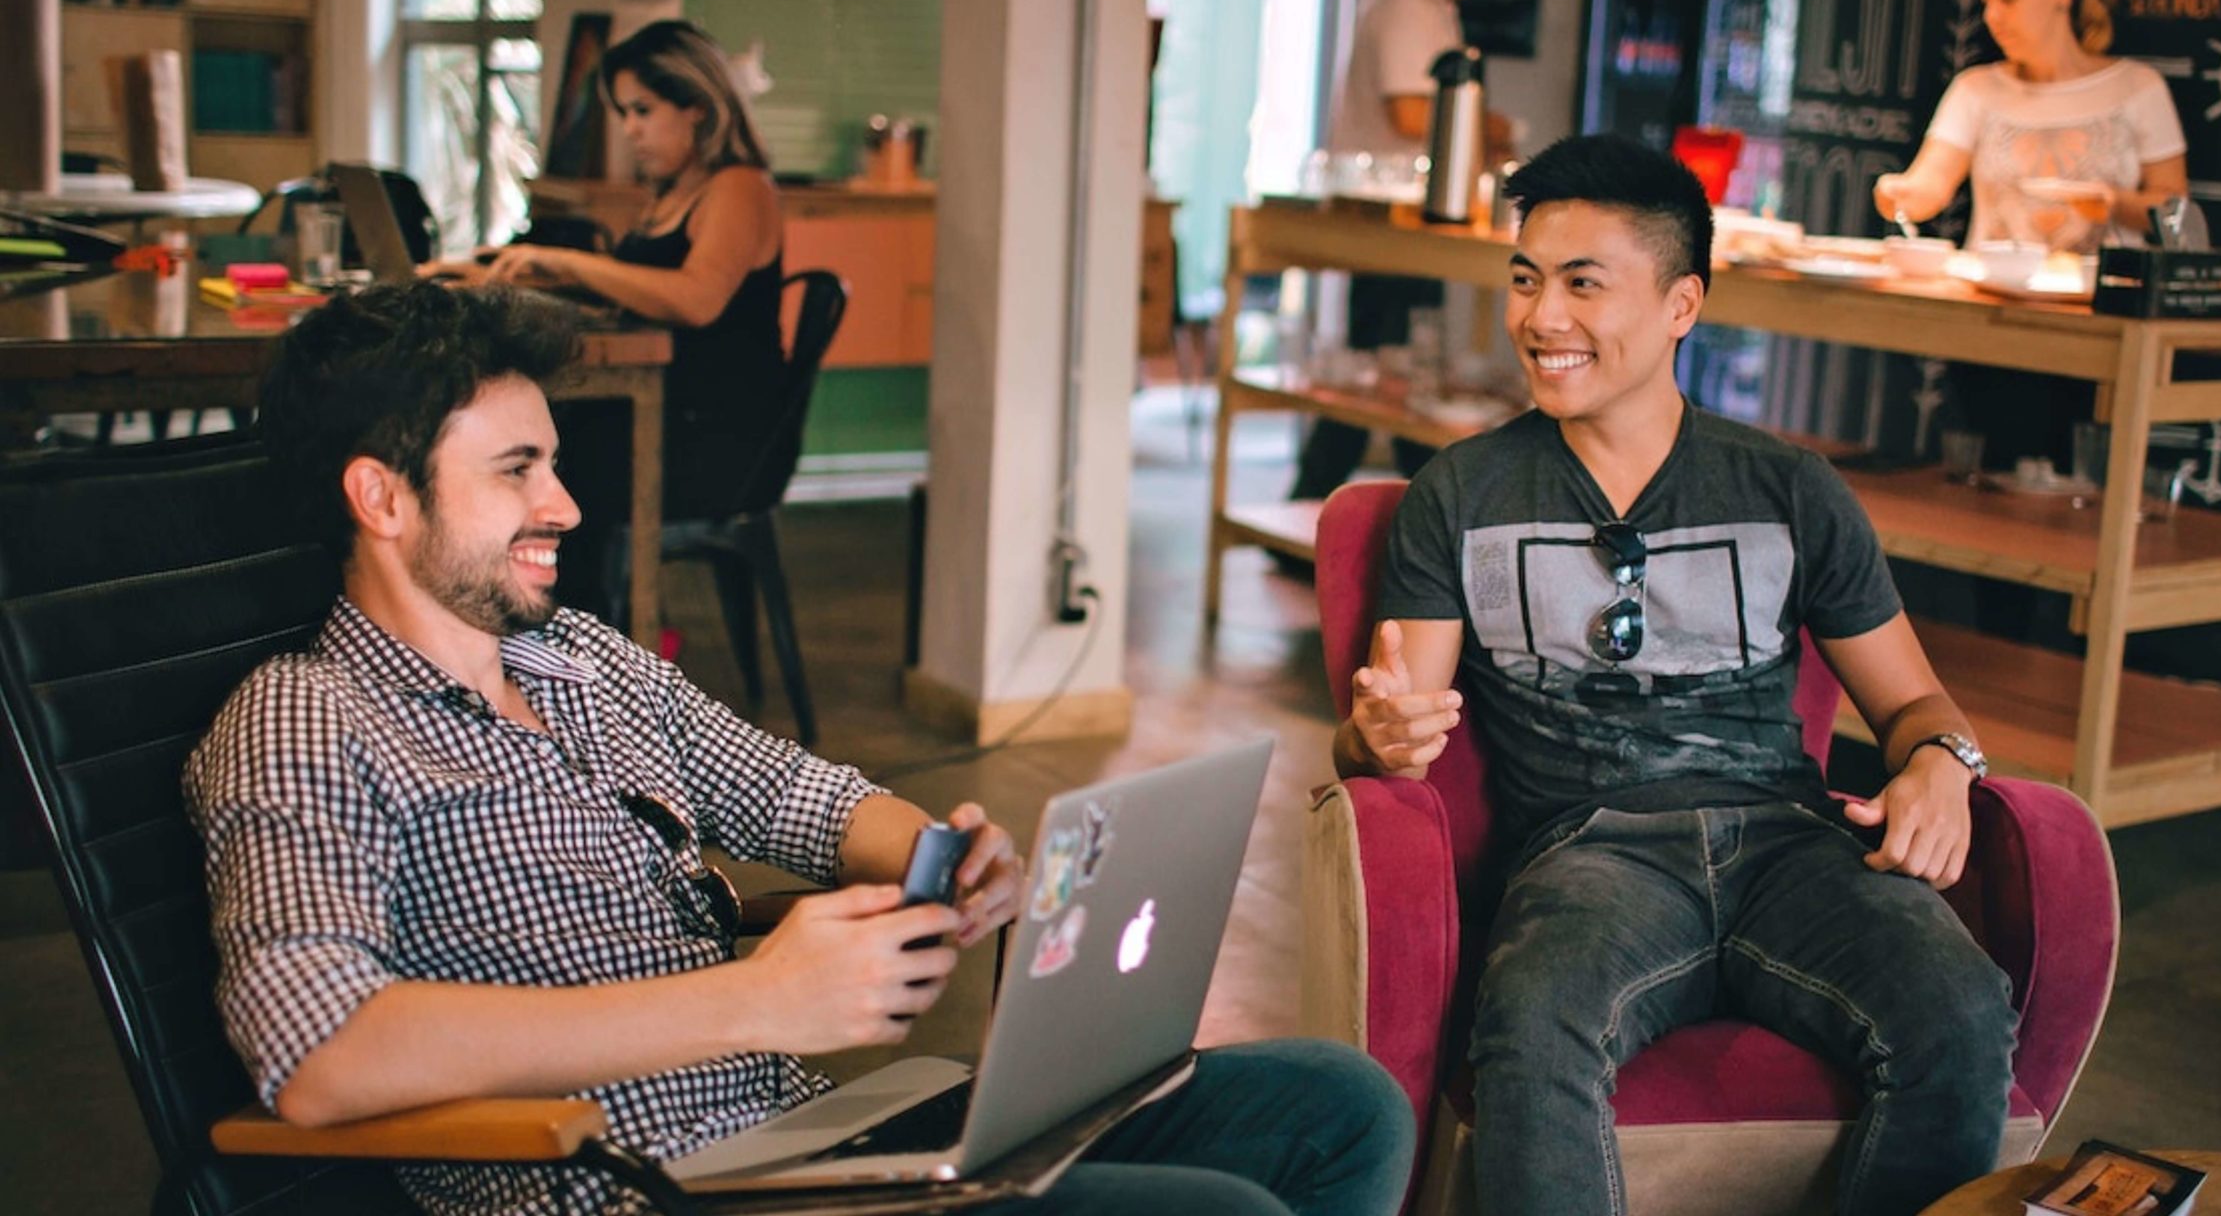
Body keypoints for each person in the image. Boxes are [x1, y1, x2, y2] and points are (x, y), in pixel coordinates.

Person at [190, 282, 1414, 1216]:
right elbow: (322, 1054)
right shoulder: (307, 717)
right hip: (642, 1184)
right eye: (518, 470)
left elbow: (789, 792)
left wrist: (936, 853)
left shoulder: (581, 659)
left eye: (554, 462)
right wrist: (752, 998)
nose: (564, 503)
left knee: (1337, 1105)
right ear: (383, 497)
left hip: (800, 1136)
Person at [1334, 136, 2016, 1216]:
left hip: (1793, 842)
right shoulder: (1459, 493)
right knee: (1533, 1021)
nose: (1539, 317)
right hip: (1588, 851)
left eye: (1581, 283)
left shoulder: (1788, 488)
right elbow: (1391, 721)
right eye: (1525, 279)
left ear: (1681, 305)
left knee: (1961, 1007)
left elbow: (1914, 703)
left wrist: (1943, 759)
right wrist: (1374, 740)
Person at [424, 19, 789, 619]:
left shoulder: (740, 188)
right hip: (668, 410)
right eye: (624, 112)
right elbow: (638, 291)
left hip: (713, 438)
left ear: (696, 105)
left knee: (545, 467)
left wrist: (564, 261)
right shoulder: (675, 192)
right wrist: (511, 273)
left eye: (642, 110)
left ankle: (569, 644)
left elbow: (696, 299)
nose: (630, 130)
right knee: (526, 448)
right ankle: (525, 632)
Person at [1872, 0, 2190, 471]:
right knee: (1989, 477)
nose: (1993, 15)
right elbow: (1928, 189)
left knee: (2081, 484)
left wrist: (2111, 203)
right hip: (1993, 319)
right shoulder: (1977, 89)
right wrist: (1896, 193)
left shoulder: (2137, 87)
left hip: (2100, 322)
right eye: (1987, 1)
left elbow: (2175, 209)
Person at [1288, 0, 1514, 510]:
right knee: (1389, 379)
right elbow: (1411, 109)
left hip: (1408, 223)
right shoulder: (1405, 5)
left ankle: (1385, 517)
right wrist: (1491, 127)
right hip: (1391, 224)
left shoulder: (1426, 4)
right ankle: (1325, 518)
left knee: (1398, 375)